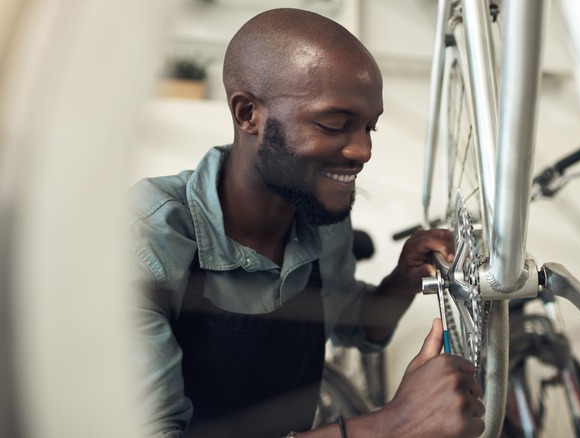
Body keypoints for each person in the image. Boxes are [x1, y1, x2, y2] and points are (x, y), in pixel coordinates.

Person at [128, 8, 485, 438]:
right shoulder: (147, 242)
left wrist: (404, 278)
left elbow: (354, 323)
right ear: (247, 115)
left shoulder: (317, 218)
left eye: (370, 127)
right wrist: (392, 424)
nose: (363, 151)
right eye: (335, 124)